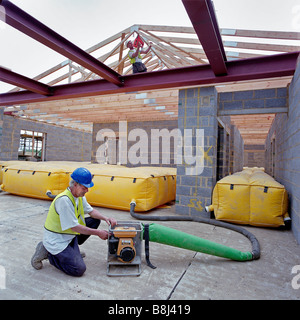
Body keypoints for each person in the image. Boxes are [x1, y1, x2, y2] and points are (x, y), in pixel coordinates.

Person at [31, 167, 117, 277]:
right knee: (78, 269)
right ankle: (48, 253)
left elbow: (91, 211)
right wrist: (98, 233)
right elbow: (74, 227)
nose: (87, 190)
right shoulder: (64, 201)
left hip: (69, 235)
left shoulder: (79, 196)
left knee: (95, 220)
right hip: (58, 240)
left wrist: (106, 218)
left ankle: (72, 251)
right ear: (75, 184)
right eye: (84, 187)